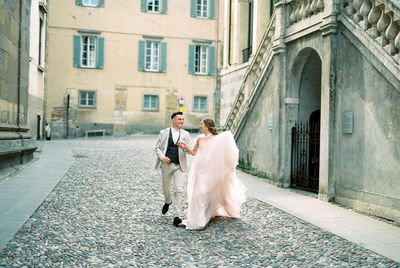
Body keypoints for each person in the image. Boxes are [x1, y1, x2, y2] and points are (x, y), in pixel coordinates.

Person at [177, 118, 247, 230]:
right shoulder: (200, 139)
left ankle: (207, 213)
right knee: (199, 193)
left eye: (201, 124)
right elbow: (194, 153)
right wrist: (185, 147)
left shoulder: (217, 139)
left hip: (211, 170)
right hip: (200, 169)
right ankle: (197, 220)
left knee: (207, 192)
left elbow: (225, 152)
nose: (200, 126)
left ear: (207, 126)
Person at [154, 111, 191, 227]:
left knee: (179, 190)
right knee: (166, 189)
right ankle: (168, 201)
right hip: (166, 164)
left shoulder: (186, 134)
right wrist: (162, 157)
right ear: (173, 120)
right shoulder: (163, 133)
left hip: (180, 165)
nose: (182, 121)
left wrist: (184, 147)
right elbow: (157, 148)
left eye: (183, 119)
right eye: (179, 119)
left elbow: (189, 150)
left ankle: (177, 216)